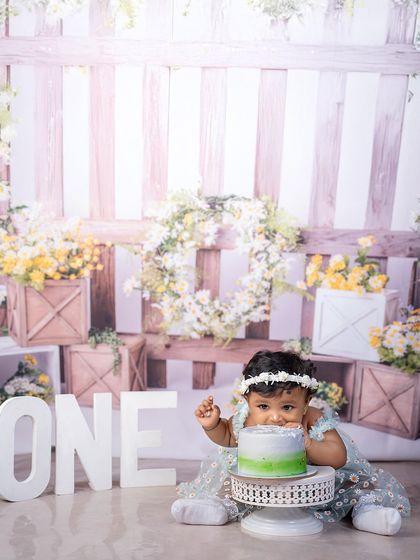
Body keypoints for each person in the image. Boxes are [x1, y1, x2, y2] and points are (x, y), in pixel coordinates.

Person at [171, 350, 410, 536]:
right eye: (263, 406)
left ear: (305, 403)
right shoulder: (246, 418)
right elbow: (227, 437)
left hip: (313, 480)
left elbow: (338, 457)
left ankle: (368, 512)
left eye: (287, 407)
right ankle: (216, 508)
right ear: (247, 400)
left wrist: (308, 444)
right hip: (260, 481)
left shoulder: (312, 418)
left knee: (353, 487)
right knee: (230, 485)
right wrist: (213, 425)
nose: (275, 417)